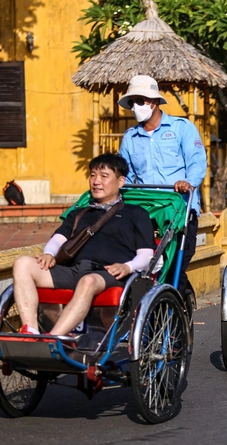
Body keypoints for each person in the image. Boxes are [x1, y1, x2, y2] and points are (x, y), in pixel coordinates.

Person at [12, 154, 155, 336]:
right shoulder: (80, 213)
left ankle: (54, 338)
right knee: (22, 263)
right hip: (75, 270)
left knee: (87, 282)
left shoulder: (136, 214)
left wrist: (127, 267)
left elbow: (146, 255)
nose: (96, 181)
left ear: (120, 181)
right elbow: (58, 239)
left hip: (109, 272)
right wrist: (49, 253)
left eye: (104, 176)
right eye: (93, 175)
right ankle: (30, 331)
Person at [118, 75, 206, 303]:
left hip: (179, 209)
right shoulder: (130, 138)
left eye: (139, 101)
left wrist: (188, 182)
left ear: (153, 102)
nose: (135, 107)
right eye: (132, 102)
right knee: (145, 263)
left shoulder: (181, 128)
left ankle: (180, 298)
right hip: (146, 211)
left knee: (176, 263)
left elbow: (197, 162)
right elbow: (125, 175)